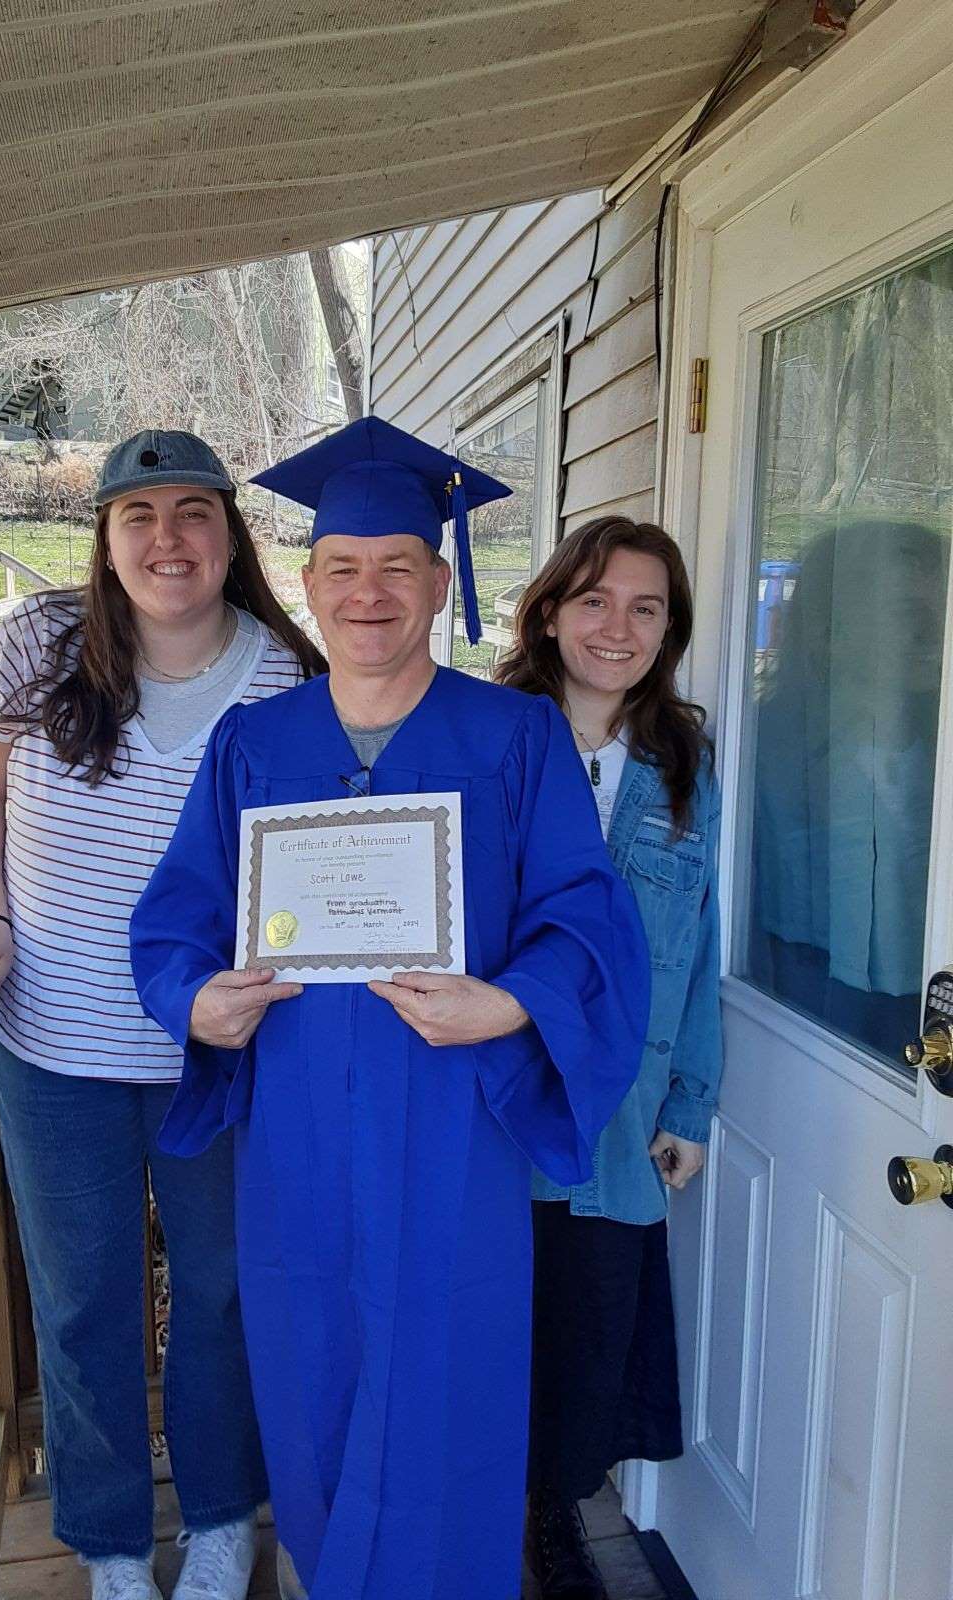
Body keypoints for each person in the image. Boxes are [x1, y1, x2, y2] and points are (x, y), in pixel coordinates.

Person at [129, 417, 650, 1600]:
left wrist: (511, 1006)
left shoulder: (514, 736)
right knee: (311, 1364)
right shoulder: (253, 742)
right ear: (309, 584)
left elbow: (588, 917)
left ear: (439, 581)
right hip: (298, 1127)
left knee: (446, 1370)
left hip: (451, 1117)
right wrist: (196, 1001)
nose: (370, 593)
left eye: (398, 567)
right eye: (344, 567)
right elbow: (175, 920)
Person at [0, 430, 325, 1600]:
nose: (169, 539)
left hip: (218, 1050)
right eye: (138, 515)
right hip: (52, 1044)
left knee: (219, 1286)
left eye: (193, 513)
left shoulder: (285, 676)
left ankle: (218, 1519)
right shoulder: (35, 649)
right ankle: (107, 1542)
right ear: (105, 540)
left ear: (229, 535)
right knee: (82, 1292)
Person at [496, 516, 723, 1600]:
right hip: (496, 1101)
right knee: (489, 1334)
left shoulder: (684, 765)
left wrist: (692, 1101)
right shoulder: (486, 738)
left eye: (647, 606)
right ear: (548, 610)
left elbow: (702, 941)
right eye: (593, 600)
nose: (617, 626)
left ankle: (554, 1525)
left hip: (619, 1121)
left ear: (670, 628)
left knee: (587, 1345)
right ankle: (475, 1524)